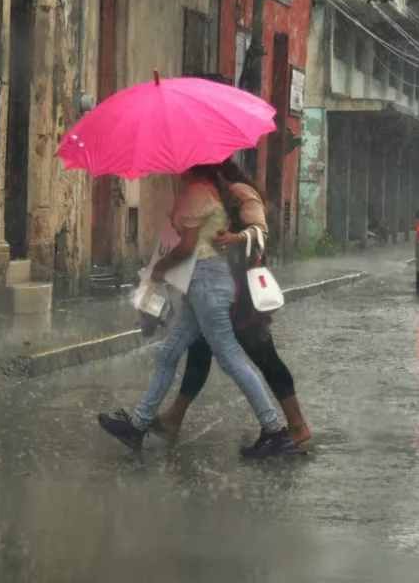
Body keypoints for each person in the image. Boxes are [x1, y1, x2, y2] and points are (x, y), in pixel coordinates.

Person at [96, 164, 296, 458]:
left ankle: (274, 430)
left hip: (207, 283)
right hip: (203, 284)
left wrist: (160, 268)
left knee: (230, 357)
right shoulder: (211, 192)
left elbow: (187, 247)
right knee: (169, 353)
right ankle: (137, 426)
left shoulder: (199, 192)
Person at [151, 160, 314, 450]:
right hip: (218, 288)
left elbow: (261, 232)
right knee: (199, 351)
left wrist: (238, 237)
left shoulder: (238, 191)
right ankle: (173, 417)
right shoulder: (210, 193)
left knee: (262, 354)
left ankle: (296, 425)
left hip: (242, 292)